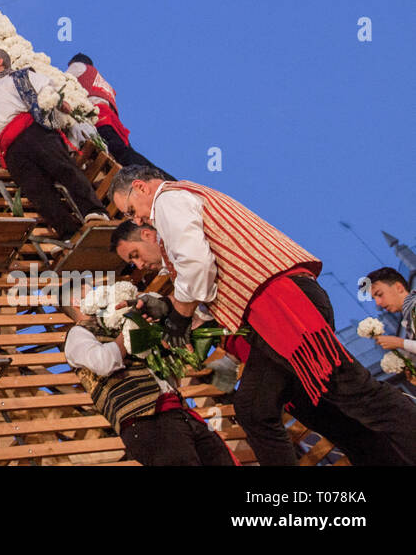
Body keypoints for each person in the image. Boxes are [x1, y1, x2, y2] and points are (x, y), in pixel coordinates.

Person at [111, 165, 416, 465]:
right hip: (278, 309)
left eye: (129, 210)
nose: (136, 218)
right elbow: (199, 278)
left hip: (284, 306)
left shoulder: (167, 200)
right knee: (272, 408)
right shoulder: (180, 203)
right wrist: (172, 309)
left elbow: (197, 266)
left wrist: (178, 314)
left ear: (140, 187)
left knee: (352, 391)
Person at [0, 47, 107, 238]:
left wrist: (59, 101)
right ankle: (69, 233)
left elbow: (46, 88)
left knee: (64, 169)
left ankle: (95, 212)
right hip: (12, 151)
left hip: (35, 133)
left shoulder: (20, 76)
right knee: (38, 193)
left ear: (0, 61)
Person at [63, 286, 234, 466]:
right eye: (94, 291)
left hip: (175, 410)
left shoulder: (114, 324)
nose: (106, 294)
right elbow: (104, 362)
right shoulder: (77, 334)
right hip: (145, 421)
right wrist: (130, 327)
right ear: (76, 303)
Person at [66, 54, 172, 178]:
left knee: (121, 155)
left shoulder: (78, 67)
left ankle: (157, 177)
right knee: (126, 154)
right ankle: (159, 177)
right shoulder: (105, 83)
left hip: (98, 116)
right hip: (112, 120)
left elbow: (63, 82)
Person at [364, 267, 416, 360]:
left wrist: (400, 343)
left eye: (379, 294)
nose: (378, 303)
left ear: (398, 287)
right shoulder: (407, 318)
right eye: (374, 298)